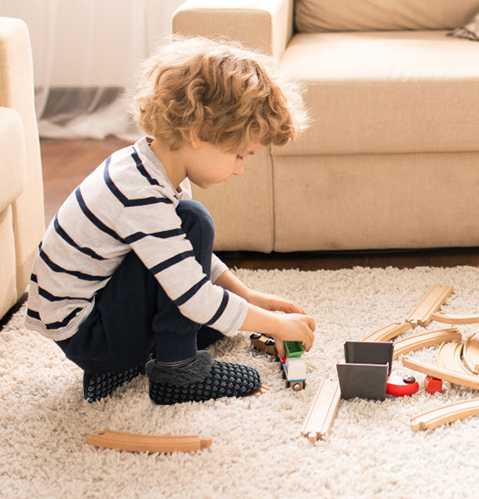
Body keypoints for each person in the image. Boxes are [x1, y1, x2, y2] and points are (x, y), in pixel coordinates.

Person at [25, 37, 316, 404]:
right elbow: (192, 293)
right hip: (91, 336)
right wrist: (275, 325)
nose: (240, 170)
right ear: (199, 135)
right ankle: (176, 372)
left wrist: (249, 297)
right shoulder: (140, 192)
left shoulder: (155, 167)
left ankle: (121, 368)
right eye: (240, 155)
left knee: (218, 317)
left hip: (99, 319)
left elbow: (183, 259)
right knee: (196, 232)